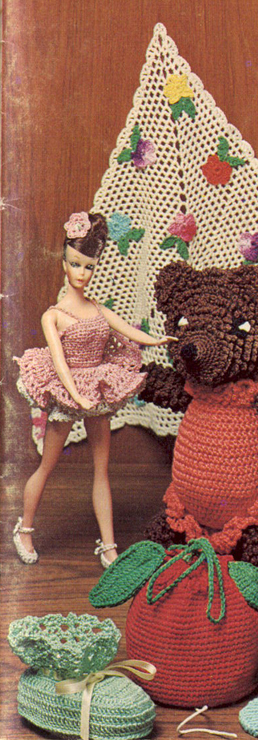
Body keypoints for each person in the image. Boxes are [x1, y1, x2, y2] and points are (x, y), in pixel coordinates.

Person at [13, 211, 174, 567]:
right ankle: (24, 529)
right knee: (47, 465)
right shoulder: (53, 315)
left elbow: (128, 331)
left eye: (88, 267)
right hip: (69, 392)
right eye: (75, 264)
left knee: (102, 469)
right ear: (64, 264)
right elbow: (59, 362)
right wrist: (75, 395)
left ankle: (108, 544)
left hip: (96, 389)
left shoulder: (97, 309)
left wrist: (158, 340)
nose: (81, 273)